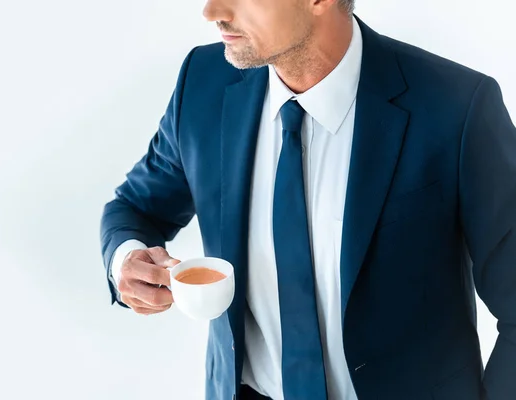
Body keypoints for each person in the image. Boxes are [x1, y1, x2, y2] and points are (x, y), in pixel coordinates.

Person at [100, 0, 516, 399]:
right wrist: (127, 260)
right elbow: (135, 208)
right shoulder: (203, 83)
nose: (212, 12)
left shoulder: (456, 107)